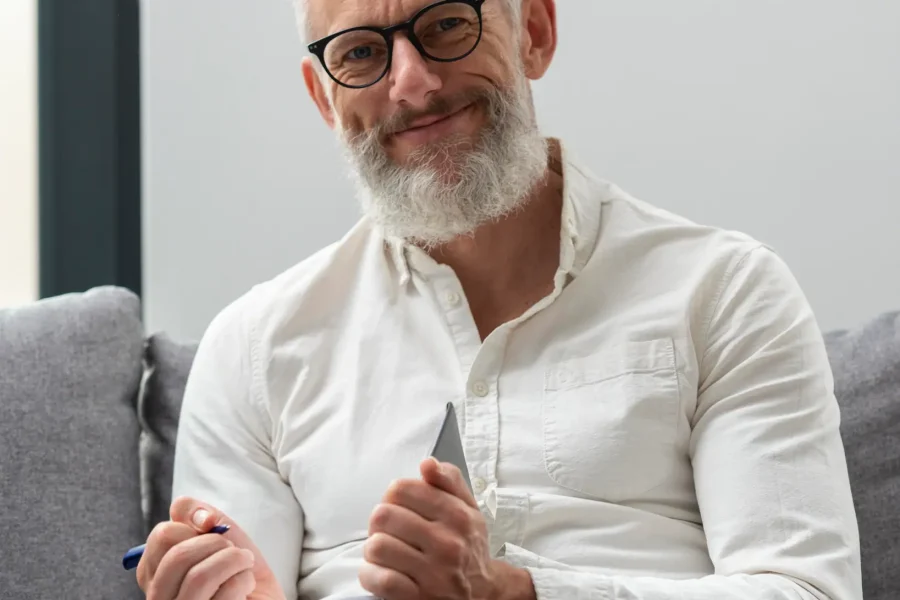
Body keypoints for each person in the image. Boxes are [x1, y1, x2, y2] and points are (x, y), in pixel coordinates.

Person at [135, 0, 863, 599]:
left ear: (535, 33)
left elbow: (806, 591)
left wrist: (516, 593)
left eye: (447, 25)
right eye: (360, 53)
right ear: (323, 95)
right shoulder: (254, 348)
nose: (413, 84)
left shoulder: (726, 292)